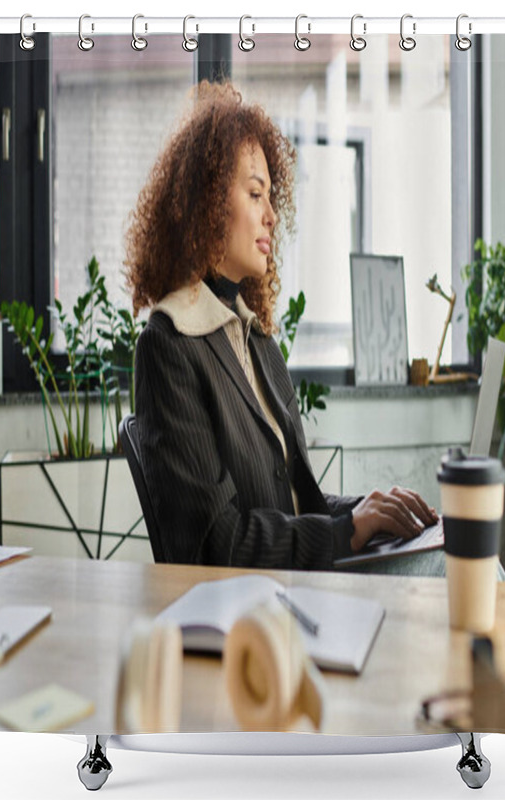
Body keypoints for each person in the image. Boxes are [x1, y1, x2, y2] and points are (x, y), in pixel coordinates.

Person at [125, 81, 439, 571]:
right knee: (447, 573)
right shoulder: (169, 347)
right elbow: (217, 543)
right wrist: (348, 530)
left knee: (451, 556)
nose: (272, 215)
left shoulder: (258, 342)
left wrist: (366, 511)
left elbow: (299, 506)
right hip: (251, 609)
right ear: (207, 201)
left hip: (295, 584)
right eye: (255, 194)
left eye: (272, 196)